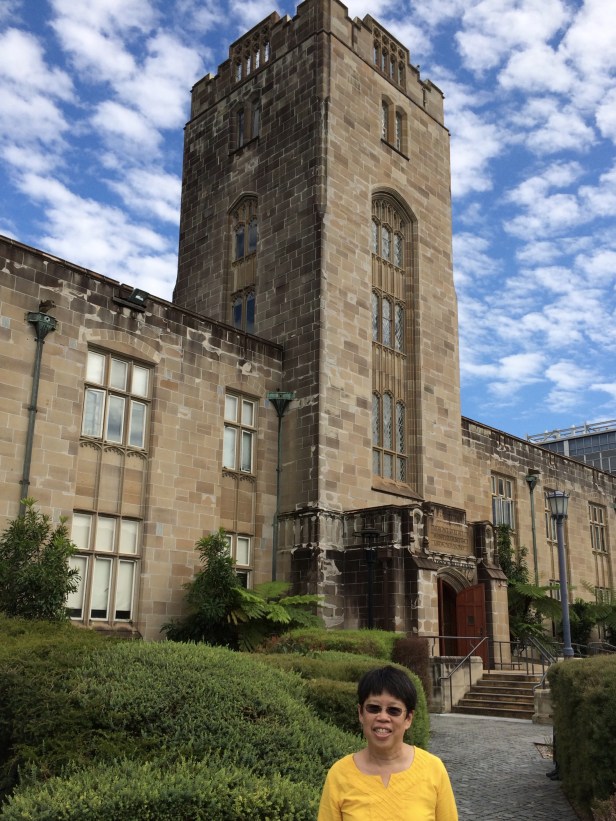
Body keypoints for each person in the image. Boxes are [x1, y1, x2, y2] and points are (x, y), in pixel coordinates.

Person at [318, 665, 458, 821]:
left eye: (393, 710)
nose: (383, 717)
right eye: (373, 708)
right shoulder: (339, 774)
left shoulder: (433, 769)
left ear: (408, 719)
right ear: (361, 713)